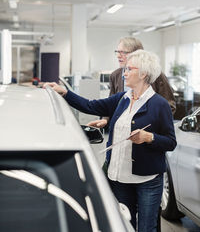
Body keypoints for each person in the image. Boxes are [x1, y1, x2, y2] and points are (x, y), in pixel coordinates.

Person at [43, 49, 177, 232]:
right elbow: (90, 105)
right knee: (124, 225)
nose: (125, 73)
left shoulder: (159, 104)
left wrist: (149, 137)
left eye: (130, 69)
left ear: (144, 73)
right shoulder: (123, 98)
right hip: (119, 177)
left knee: (147, 228)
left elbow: (170, 142)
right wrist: (64, 93)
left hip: (147, 180)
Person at [88, 37, 175, 129]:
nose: (118, 55)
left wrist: (152, 125)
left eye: (123, 52)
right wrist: (106, 119)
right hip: (122, 130)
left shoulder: (156, 75)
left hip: (147, 132)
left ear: (137, 55)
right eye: (117, 52)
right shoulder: (115, 76)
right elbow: (111, 104)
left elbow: (170, 105)